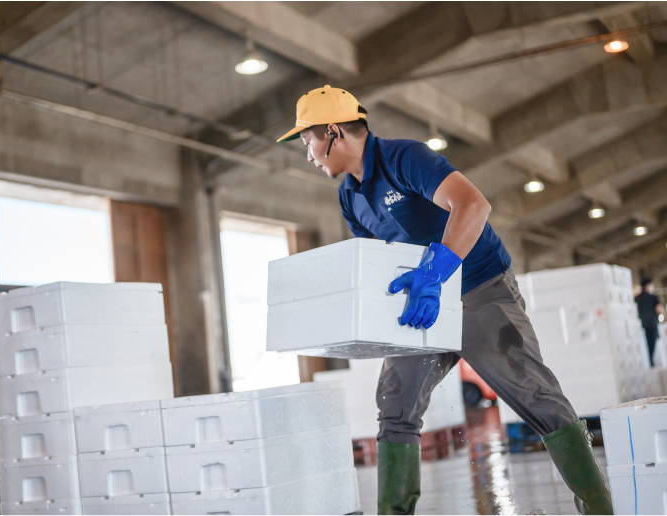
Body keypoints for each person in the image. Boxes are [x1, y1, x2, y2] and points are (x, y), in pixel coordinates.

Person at [276, 85, 613, 515]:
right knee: (395, 407)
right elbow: (375, 261)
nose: (308, 155)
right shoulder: (349, 196)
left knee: (537, 398)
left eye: (308, 142)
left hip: (479, 287)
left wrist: (435, 272)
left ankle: (600, 508)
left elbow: (472, 204)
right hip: (422, 306)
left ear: (334, 132)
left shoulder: (405, 158)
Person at [636, 277, 666, 366]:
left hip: (641, 326)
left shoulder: (637, 298)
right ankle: (651, 362)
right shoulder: (653, 297)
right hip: (651, 324)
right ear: (647, 286)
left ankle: (648, 362)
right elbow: (659, 308)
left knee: (644, 346)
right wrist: (665, 317)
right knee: (651, 344)